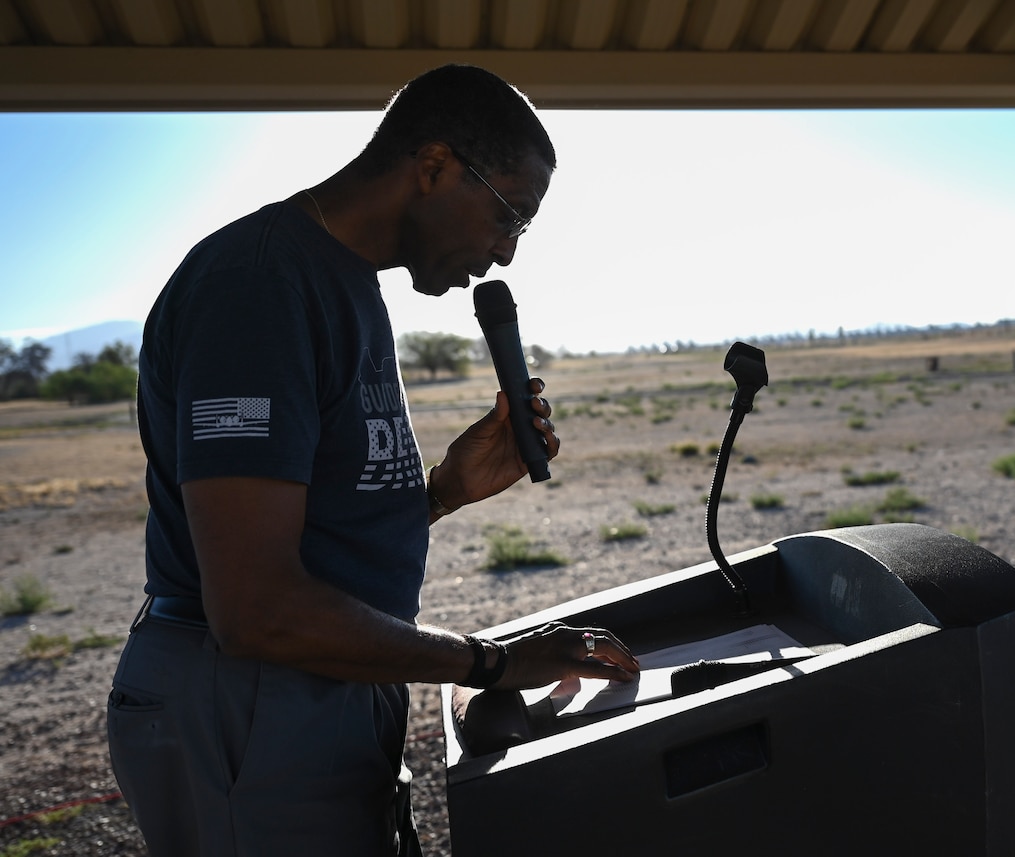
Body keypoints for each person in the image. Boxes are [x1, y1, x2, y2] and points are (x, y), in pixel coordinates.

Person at [107, 64, 640, 857]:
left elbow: (305, 527)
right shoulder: (258, 285)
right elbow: (255, 605)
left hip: (317, 678)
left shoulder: (348, 282)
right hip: (251, 691)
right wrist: (489, 662)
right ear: (432, 166)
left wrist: (442, 492)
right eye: (509, 218)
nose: (505, 255)